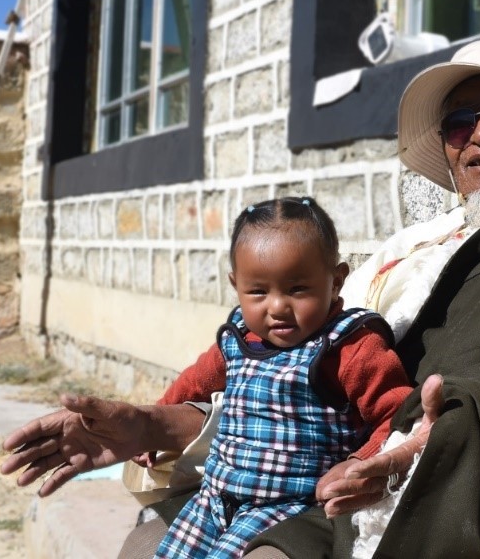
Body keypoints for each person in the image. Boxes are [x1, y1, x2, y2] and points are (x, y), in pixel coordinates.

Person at [2, 34, 480, 558]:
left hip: (455, 500)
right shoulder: (405, 256)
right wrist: (153, 425)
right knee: (147, 542)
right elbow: (301, 390)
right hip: (322, 478)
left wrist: (432, 443)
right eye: (459, 122)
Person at [154, 197, 411, 558]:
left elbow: (399, 415)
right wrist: (155, 420)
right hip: (214, 496)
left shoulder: (348, 347)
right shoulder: (239, 339)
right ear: (236, 285)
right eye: (258, 291)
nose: (277, 307)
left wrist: (359, 462)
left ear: (336, 281)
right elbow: (195, 382)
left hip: (285, 508)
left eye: (297, 289)